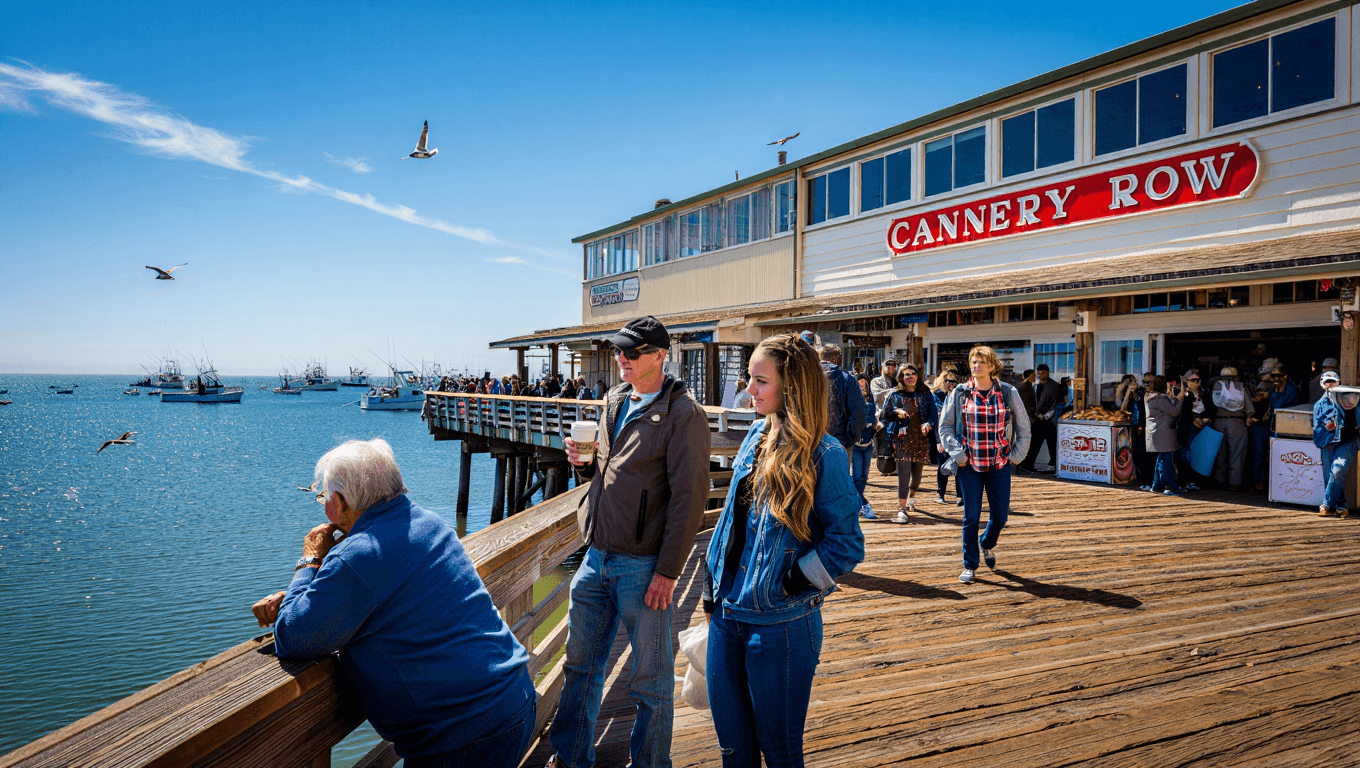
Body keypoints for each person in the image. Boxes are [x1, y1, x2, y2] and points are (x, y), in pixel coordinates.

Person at [250, 439, 535, 767]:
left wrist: (310, 561)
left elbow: (292, 636)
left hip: (463, 739)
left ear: (340, 503)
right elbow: (388, 594)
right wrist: (320, 591)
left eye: (324, 497)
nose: (324, 507)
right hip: (513, 698)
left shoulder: (356, 557)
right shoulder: (429, 522)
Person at [551, 316, 711, 768]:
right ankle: (570, 756)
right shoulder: (614, 399)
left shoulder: (684, 413)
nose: (621, 358)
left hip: (643, 567)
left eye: (632, 352)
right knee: (579, 668)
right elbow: (605, 471)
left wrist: (668, 571)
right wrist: (583, 465)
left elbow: (690, 499)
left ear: (660, 356)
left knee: (650, 681)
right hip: (596, 555)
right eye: (619, 350)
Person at [701, 332, 865, 767]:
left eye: (760, 381)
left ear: (791, 386)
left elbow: (846, 544)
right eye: (749, 378)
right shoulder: (756, 434)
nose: (749, 390)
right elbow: (730, 522)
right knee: (734, 753)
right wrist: (710, 587)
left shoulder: (824, 453)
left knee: (781, 755)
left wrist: (790, 583)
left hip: (781, 626)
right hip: (726, 616)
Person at [938, 345, 1031, 585]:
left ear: (992, 366)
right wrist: (958, 454)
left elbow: (1024, 428)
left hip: (1000, 464)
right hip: (970, 465)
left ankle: (987, 542)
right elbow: (945, 426)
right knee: (971, 516)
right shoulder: (960, 392)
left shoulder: (1008, 392)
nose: (976, 365)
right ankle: (970, 564)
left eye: (981, 362)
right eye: (973, 362)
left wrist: (1015, 457)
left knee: (1000, 517)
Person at [882, 363, 938, 523]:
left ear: (917, 376)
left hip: (921, 438)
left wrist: (928, 423)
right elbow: (884, 417)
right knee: (903, 474)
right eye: (906, 374)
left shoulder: (925, 393)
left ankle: (912, 496)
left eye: (913, 373)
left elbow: (933, 414)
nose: (910, 376)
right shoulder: (894, 395)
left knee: (917, 474)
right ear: (901, 377)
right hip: (902, 439)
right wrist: (896, 412)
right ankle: (902, 508)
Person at [1312, 371, 1356, 518]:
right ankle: (1341, 505)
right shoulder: (1319, 404)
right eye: (1327, 382)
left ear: (1338, 382)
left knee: (1337, 471)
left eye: (1333, 381)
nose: (1330, 384)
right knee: (1329, 476)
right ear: (1322, 385)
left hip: (1348, 441)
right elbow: (1316, 427)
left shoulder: (1350, 397)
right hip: (1327, 442)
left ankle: (1326, 505)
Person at [819, 344, 867, 464]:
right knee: (840, 478)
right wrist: (851, 438)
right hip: (840, 440)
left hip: (811, 439)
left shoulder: (806, 377)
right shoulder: (848, 379)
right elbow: (858, 412)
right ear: (836, 359)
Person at [1206, 366, 1250, 491]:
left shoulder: (1215, 386)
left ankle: (1220, 480)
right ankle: (1234, 483)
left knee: (1220, 453)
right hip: (1236, 422)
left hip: (1218, 421)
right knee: (1237, 453)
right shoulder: (1240, 388)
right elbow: (1249, 408)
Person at [1020, 364, 1065, 473]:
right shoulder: (1036, 385)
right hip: (1037, 418)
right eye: (1039, 373)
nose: (1041, 375)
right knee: (1039, 441)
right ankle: (1033, 463)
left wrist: (1045, 415)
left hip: (1047, 417)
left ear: (1048, 372)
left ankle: (1048, 463)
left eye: (1043, 373)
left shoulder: (1053, 386)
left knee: (1046, 441)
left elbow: (1055, 401)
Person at [1143, 376, 1183, 495]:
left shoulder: (1149, 397)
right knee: (1166, 461)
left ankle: (1156, 486)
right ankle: (1170, 486)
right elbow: (1174, 412)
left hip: (1154, 432)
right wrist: (1179, 400)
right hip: (1164, 432)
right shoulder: (1160, 399)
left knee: (1161, 459)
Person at [930, 370, 963, 506]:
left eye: (953, 381)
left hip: (959, 436)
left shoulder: (961, 396)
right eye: (947, 381)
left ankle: (960, 495)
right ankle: (940, 493)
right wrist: (939, 440)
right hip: (942, 436)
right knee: (942, 465)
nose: (949, 384)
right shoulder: (936, 397)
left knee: (960, 465)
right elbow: (936, 420)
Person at [1176, 369, 1208, 491]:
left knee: (1198, 455)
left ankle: (1194, 481)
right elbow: (1181, 411)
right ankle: (1183, 482)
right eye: (1192, 380)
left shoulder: (1204, 393)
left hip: (1201, 428)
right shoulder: (1183, 393)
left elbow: (1210, 409)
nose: (1195, 382)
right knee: (1184, 455)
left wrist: (1203, 419)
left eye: (1197, 380)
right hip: (1187, 428)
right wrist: (1193, 418)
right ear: (1186, 381)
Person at [852, 375, 877, 519]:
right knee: (856, 476)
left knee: (864, 477)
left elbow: (871, 418)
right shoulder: (851, 400)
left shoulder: (870, 402)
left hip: (868, 443)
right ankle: (864, 504)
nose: (862, 386)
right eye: (859, 383)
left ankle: (858, 504)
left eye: (864, 384)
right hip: (855, 444)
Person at [869, 358, 900, 465]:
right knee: (883, 443)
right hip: (882, 415)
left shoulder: (900, 380)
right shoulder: (876, 381)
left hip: (898, 416)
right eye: (888, 365)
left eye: (894, 365)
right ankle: (884, 465)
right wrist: (895, 391)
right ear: (883, 367)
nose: (891, 367)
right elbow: (878, 396)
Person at [1246, 380, 1274, 491]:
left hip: (1264, 428)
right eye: (1259, 392)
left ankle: (1261, 481)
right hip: (1259, 428)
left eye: (1263, 393)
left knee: (1262, 455)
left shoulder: (1270, 401)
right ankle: (1259, 480)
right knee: (1258, 455)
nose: (1260, 395)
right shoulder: (1258, 402)